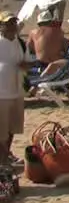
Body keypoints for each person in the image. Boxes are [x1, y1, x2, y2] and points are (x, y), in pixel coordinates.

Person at [0, 13, 29, 163]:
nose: (12, 26)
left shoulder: (21, 43)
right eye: (8, 23)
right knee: (1, 130)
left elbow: (28, 62)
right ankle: (3, 159)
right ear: (1, 27)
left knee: (13, 128)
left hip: (17, 92)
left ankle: (6, 155)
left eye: (13, 23)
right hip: (1, 95)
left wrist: (25, 66)